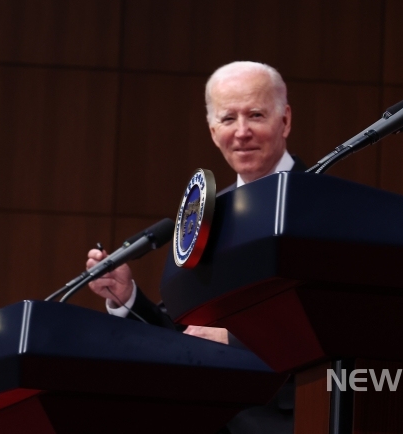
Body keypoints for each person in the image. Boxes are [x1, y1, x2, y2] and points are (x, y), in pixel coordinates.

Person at [86, 61, 304, 433]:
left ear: (284, 121)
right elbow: (183, 330)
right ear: (212, 130)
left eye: (255, 115)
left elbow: (332, 320)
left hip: (287, 416)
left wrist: (233, 338)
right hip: (207, 415)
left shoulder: (320, 203)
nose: (242, 132)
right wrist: (127, 299)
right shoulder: (204, 214)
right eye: (227, 119)